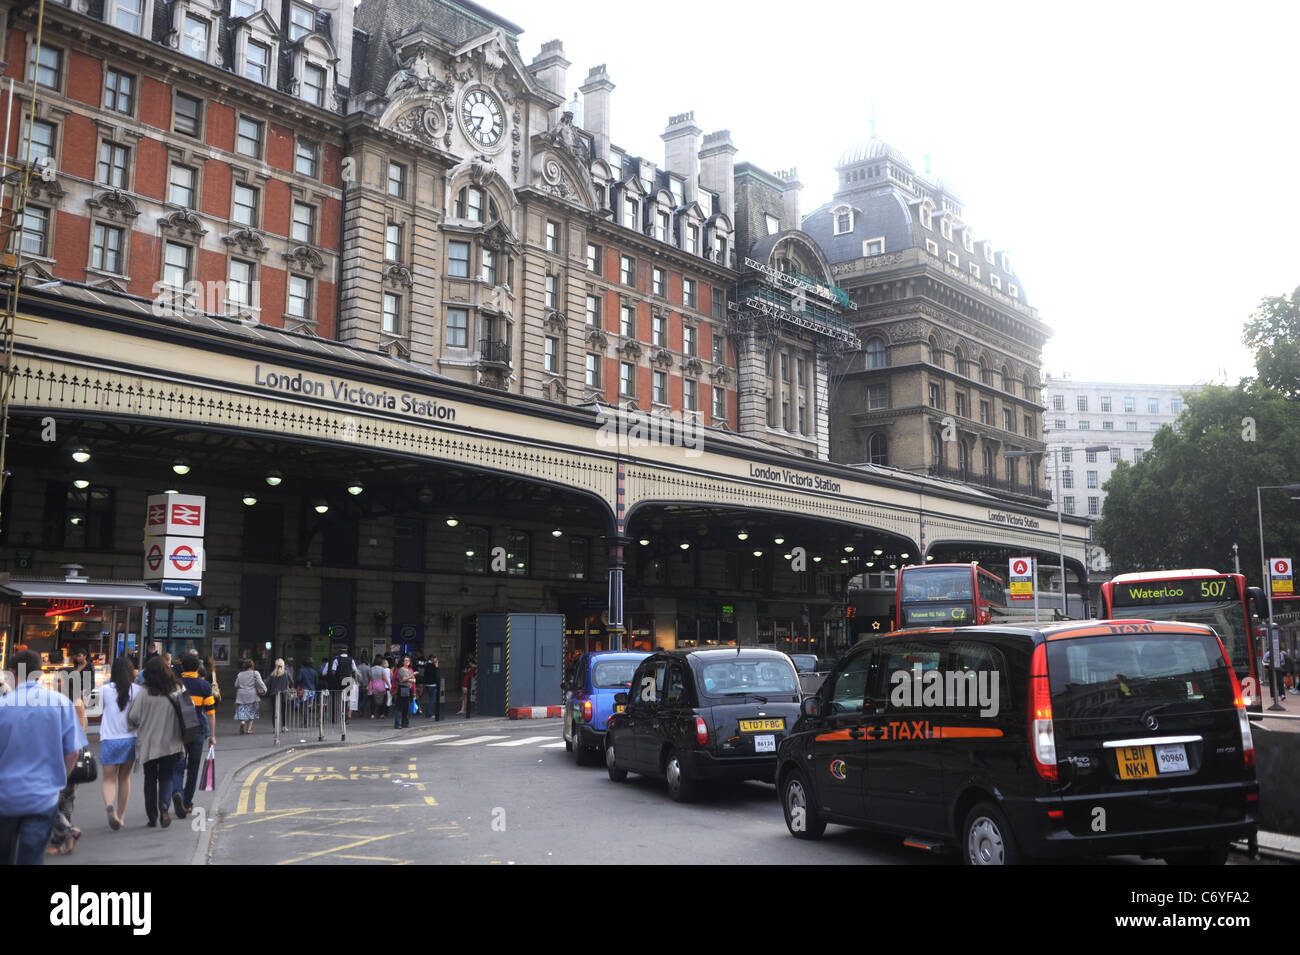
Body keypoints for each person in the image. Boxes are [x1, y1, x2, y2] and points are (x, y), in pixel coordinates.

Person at [0, 650, 87, 864]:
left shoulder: (3, 705)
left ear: (12, 672)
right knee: (32, 856)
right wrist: (59, 780)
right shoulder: (60, 703)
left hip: (5, 796)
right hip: (43, 795)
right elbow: (73, 751)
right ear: (40, 672)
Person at [125, 656, 185, 828]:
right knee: (166, 777)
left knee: (150, 779)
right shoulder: (179, 688)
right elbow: (190, 712)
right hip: (172, 742)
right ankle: (164, 807)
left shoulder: (144, 692)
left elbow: (133, 717)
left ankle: (152, 817)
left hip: (149, 743)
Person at [170, 652, 216, 820]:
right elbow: (211, 713)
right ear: (198, 668)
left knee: (177, 765)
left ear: (182, 667)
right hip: (197, 731)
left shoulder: (175, 684)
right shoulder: (204, 686)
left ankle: (177, 792)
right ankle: (187, 802)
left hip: (178, 731)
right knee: (193, 768)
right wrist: (212, 735)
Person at [99, 655, 139, 831]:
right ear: (131, 671)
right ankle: (121, 816)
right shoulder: (137, 690)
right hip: (130, 739)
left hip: (109, 740)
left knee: (109, 779)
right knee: (124, 778)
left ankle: (110, 806)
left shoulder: (104, 690)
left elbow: (96, 710)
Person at [234, 659, 267, 735]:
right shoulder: (255, 673)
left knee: (242, 710)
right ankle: (248, 729)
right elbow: (260, 682)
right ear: (252, 666)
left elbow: (236, 685)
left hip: (241, 695)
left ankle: (242, 722)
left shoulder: (240, 674)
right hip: (252, 695)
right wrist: (265, 689)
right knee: (252, 711)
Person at [392, 656, 416, 729]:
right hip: (403, 688)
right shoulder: (400, 670)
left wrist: (408, 679)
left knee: (406, 707)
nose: (407, 661)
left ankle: (405, 723)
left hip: (409, 689)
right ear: (402, 662)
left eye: (408, 660)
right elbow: (402, 680)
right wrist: (411, 677)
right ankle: (397, 724)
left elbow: (414, 680)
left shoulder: (410, 670)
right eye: (405, 660)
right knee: (400, 707)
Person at [266, 658, 289, 729]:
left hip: (273, 694)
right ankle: (283, 726)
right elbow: (292, 681)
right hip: (283, 694)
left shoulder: (272, 674)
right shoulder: (286, 673)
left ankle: (274, 728)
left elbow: (267, 682)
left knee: (274, 711)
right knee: (283, 710)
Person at [422, 656, 440, 720]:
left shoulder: (427, 665)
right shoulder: (432, 665)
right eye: (435, 659)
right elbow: (435, 674)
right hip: (432, 684)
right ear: (432, 659)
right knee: (431, 700)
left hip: (427, 684)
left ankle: (428, 713)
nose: (436, 660)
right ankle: (429, 713)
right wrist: (436, 667)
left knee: (430, 699)